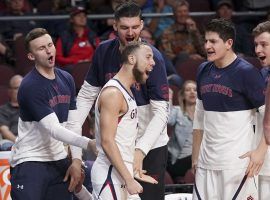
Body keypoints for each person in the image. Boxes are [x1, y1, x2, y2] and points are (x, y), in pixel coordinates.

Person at [73, 1, 169, 199]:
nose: (131, 32)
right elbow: (85, 97)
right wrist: (72, 140)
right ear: (115, 26)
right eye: (125, 27)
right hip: (117, 148)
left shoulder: (153, 58)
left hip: (149, 145)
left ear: (142, 25)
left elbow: (161, 112)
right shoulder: (103, 51)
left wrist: (141, 151)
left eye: (135, 27)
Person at [9, 28, 96, 200]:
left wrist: (77, 161)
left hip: (59, 160)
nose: (49, 50)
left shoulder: (66, 78)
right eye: (41, 48)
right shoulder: (30, 86)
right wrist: (89, 144)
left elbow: (73, 124)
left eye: (50, 45)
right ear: (31, 56)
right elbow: (54, 129)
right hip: (31, 161)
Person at [192, 19, 268, 199]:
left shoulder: (247, 72)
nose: (207, 46)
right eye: (206, 41)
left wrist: (259, 152)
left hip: (236, 164)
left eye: (213, 41)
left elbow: (268, 118)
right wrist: (195, 156)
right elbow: (199, 118)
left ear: (229, 43)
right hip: (205, 162)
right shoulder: (203, 70)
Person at [92, 41, 158, 199]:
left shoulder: (126, 90)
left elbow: (123, 138)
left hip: (121, 172)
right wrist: (129, 179)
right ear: (132, 59)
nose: (153, 63)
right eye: (148, 57)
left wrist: (132, 168)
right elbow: (107, 141)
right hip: (110, 174)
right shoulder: (113, 93)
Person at [253, 20, 270, 200]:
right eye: (256, 45)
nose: (258, 50)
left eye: (264, 45)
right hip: (264, 160)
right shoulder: (262, 74)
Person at [159, 0, 205, 64]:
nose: (183, 14)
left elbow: (204, 52)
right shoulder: (167, 33)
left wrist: (195, 32)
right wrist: (188, 58)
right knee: (183, 55)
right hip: (178, 66)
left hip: (197, 63)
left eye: (185, 11)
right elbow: (167, 56)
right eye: (179, 12)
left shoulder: (193, 30)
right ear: (174, 14)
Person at [167, 80, 196, 180]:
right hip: (177, 160)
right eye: (188, 90)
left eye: (195, 90)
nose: (192, 92)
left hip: (196, 160)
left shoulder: (203, 114)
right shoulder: (177, 111)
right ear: (183, 95)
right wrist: (169, 98)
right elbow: (169, 120)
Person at [0, 75, 22, 151]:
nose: (21, 90)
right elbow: (4, 131)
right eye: (17, 88)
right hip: (12, 141)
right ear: (10, 91)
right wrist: (19, 142)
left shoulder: (32, 107)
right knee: (5, 145)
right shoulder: (3, 109)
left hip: (31, 140)